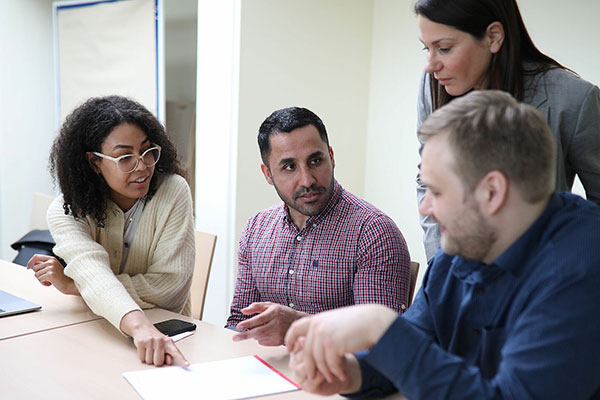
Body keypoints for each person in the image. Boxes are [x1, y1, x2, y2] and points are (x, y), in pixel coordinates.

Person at [285, 91, 600, 399]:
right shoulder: (464, 244)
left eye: (435, 191)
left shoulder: (581, 269)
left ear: (491, 193)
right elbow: (415, 343)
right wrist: (350, 373)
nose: (425, 208)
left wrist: (379, 325)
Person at [415, 0, 600, 260]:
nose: (430, 65)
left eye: (444, 48)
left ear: (493, 37)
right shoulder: (433, 85)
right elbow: (427, 179)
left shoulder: (573, 99)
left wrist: (565, 268)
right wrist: (443, 262)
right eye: (427, 48)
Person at [27, 95, 194, 367]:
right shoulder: (67, 209)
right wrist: (92, 283)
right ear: (94, 162)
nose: (142, 166)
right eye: (125, 157)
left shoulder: (173, 191)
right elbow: (91, 271)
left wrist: (77, 285)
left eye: (147, 151)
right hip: (95, 330)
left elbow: (169, 289)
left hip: (170, 334)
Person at [226, 107, 411, 346]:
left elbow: (381, 344)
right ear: (268, 174)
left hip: (341, 379)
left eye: (315, 161)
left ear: (331, 157)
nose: (307, 180)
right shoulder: (256, 228)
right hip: (264, 374)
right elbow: (239, 324)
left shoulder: (374, 233)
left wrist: (299, 327)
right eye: (289, 167)